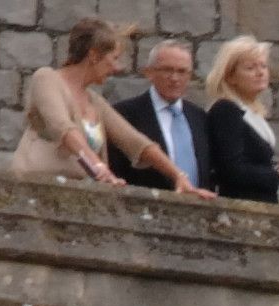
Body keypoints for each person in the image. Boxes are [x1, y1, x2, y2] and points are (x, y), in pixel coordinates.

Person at [15, 19, 183, 187]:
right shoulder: (46, 78)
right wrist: (98, 167)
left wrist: (179, 176)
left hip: (75, 196)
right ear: (94, 55)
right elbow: (63, 128)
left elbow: (135, 142)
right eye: (114, 58)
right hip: (34, 188)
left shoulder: (95, 101)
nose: (117, 68)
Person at [196, 33, 279, 202]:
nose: (260, 73)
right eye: (250, 68)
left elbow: (253, 165)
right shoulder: (226, 110)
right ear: (230, 77)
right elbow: (232, 170)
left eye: (263, 66)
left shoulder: (251, 111)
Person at [104, 31, 198, 191]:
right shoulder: (124, 114)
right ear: (149, 73)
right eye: (167, 70)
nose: (175, 78)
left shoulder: (199, 117)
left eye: (182, 71)